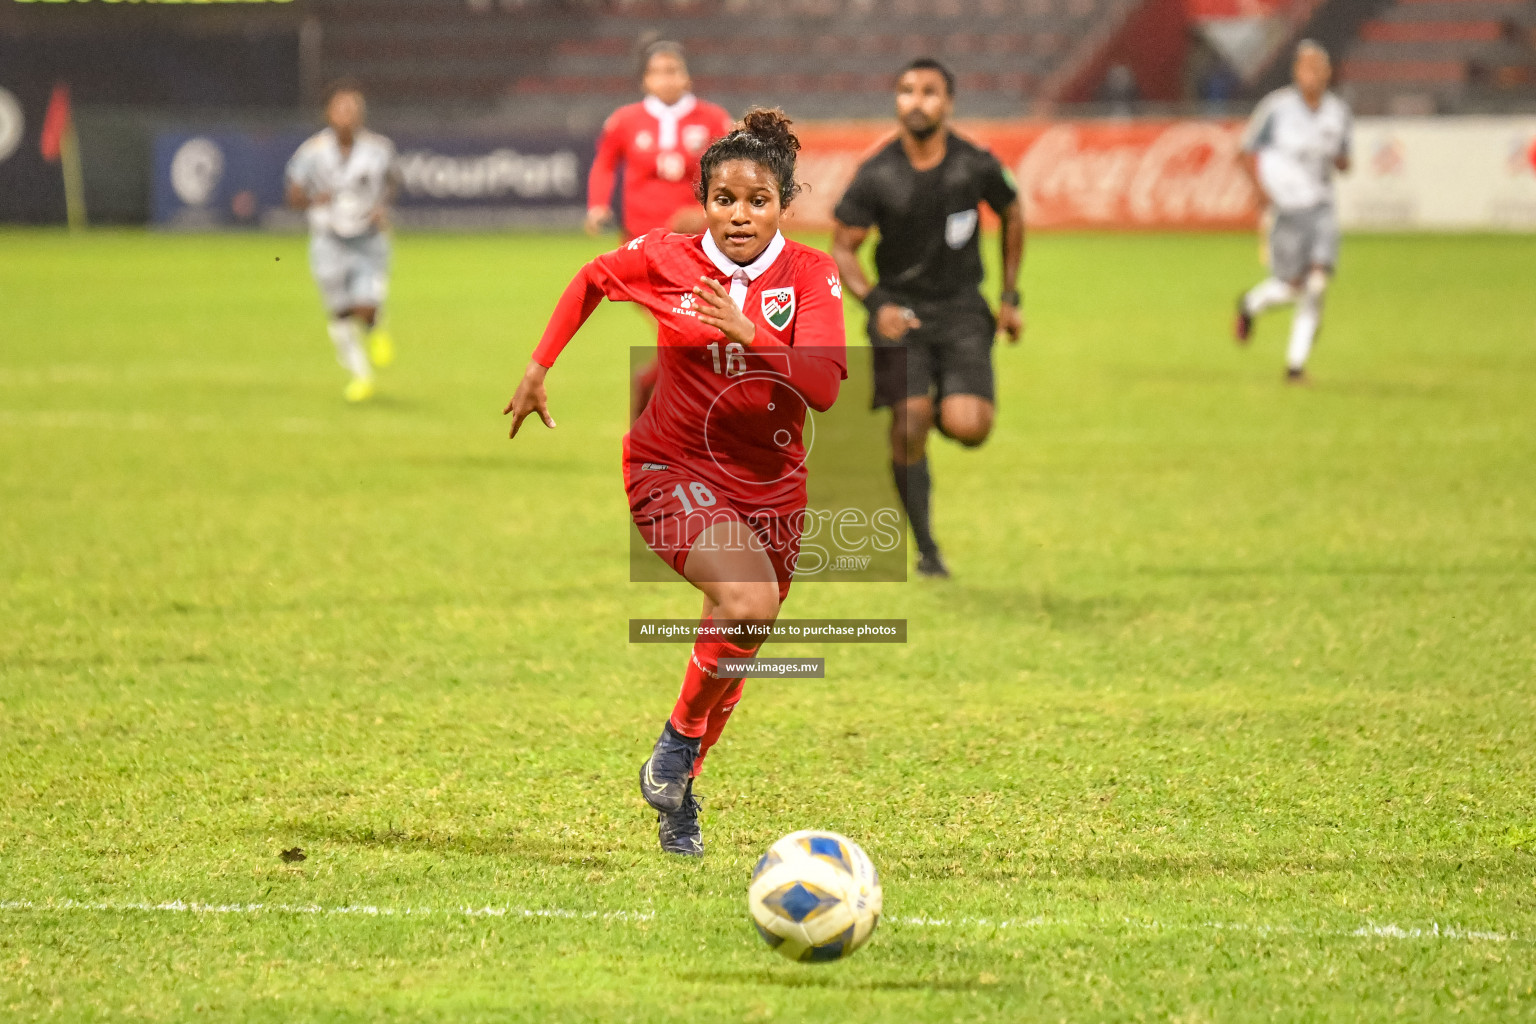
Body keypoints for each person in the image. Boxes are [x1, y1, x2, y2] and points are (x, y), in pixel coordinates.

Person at [505, 110, 847, 857]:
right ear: (704, 201)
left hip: (773, 488)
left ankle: (677, 791)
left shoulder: (811, 274)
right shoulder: (668, 257)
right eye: (724, 199)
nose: (739, 215)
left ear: (784, 202)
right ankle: (678, 742)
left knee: (739, 641)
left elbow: (823, 384)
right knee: (747, 602)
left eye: (757, 200)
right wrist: (538, 368)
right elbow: (594, 278)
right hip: (672, 468)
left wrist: (748, 332)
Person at [830, 58, 1025, 579]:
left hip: (962, 310)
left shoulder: (974, 165)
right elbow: (843, 248)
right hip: (900, 312)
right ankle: (927, 549)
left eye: (930, 92)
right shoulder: (876, 174)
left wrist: (1010, 296)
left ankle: (938, 399)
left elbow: (1012, 211)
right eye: (907, 91)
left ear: (949, 102)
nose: (917, 101)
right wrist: (876, 306)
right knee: (909, 420)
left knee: (970, 428)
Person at [586, 41, 735, 421]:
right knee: (685, 332)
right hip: (642, 252)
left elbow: (731, 177)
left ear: (686, 75)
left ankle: (649, 396)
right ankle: (665, 414)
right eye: (658, 72)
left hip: (697, 252)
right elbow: (604, 165)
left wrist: (706, 213)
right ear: (645, 80)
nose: (667, 79)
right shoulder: (624, 121)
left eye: (674, 70)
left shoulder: (713, 119)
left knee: (689, 336)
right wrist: (597, 205)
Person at [1234, 40, 1352, 384]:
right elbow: (1242, 150)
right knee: (1291, 287)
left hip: (1321, 207)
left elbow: (1344, 161)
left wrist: (1336, 158)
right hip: (1286, 209)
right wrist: (1258, 191)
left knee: (1316, 284)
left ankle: (1295, 368)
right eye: (1305, 68)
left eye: (1318, 68)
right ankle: (1250, 305)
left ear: (1328, 74)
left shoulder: (1337, 113)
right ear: (1296, 72)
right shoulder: (1276, 109)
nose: (1311, 75)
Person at [285, 81, 399, 403]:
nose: (346, 115)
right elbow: (293, 194)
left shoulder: (379, 149)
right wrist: (311, 199)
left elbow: (393, 181)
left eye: (352, 109)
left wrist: (381, 208)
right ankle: (360, 376)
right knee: (339, 312)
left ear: (361, 114)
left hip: (368, 240)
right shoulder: (312, 152)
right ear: (329, 113)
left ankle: (376, 326)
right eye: (340, 108)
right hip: (328, 240)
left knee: (364, 307)